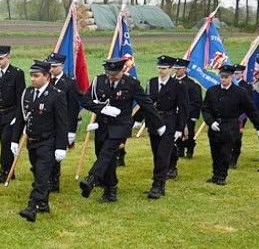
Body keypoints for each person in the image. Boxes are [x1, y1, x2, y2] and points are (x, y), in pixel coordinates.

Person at [79, 57, 165, 203]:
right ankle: (111, 189)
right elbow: (86, 101)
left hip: (121, 125)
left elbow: (146, 103)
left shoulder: (131, 83)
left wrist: (158, 123)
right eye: (109, 73)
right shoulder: (98, 81)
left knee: (107, 152)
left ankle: (92, 178)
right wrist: (102, 109)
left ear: (122, 70)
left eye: (115, 74)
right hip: (102, 125)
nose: (111, 76)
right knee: (104, 156)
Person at [10, 60, 69, 222]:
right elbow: (20, 118)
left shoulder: (57, 95)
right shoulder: (27, 93)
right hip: (32, 141)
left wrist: (61, 147)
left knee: (42, 174)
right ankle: (43, 203)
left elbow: (62, 123)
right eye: (31, 76)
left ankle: (32, 206)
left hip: (48, 141)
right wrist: (14, 140)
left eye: (36, 76)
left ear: (46, 77)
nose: (33, 79)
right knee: (37, 172)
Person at [201, 64, 259, 185]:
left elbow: (250, 110)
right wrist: (211, 122)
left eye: (226, 77)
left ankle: (222, 175)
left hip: (230, 125)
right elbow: (205, 109)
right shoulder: (212, 91)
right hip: (215, 125)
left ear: (231, 77)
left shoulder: (240, 92)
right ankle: (215, 174)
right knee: (215, 152)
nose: (223, 79)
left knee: (225, 152)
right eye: (222, 77)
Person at [141, 55, 188, 200]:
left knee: (163, 154)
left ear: (170, 69)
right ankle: (160, 184)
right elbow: (146, 103)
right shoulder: (152, 83)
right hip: (154, 122)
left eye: (163, 68)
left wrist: (180, 129)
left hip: (169, 122)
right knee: (156, 154)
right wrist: (141, 120)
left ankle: (157, 184)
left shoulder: (178, 85)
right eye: (159, 68)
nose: (160, 71)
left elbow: (183, 108)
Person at [0, 45, 26, 184]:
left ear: (8, 58)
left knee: (6, 141)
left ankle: (4, 170)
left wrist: (18, 116)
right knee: (5, 141)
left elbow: (20, 96)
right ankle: (10, 169)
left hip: (12, 112)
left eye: (1, 58)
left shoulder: (17, 73)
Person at [47, 52, 80, 192]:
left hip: (61, 123)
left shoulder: (69, 83)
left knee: (56, 153)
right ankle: (47, 178)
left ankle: (54, 182)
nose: (52, 69)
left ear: (62, 66)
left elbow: (73, 108)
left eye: (54, 66)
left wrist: (71, 130)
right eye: (50, 66)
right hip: (47, 123)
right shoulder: (46, 80)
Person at [174, 57, 203, 163]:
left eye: (179, 69)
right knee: (176, 133)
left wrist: (191, 114)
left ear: (185, 69)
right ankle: (179, 150)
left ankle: (189, 150)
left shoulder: (192, 84)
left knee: (189, 133)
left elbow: (196, 102)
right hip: (174, 113)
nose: (177, 71)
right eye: (175, 69)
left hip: (188, 114)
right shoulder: (171, 82)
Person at [230, 63, 255, 168]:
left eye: (237, 73)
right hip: (228, 116)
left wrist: (242, 118)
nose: (235, 76)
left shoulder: (247, 87)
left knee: (237, 139)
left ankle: (234, 159)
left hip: (240, 117)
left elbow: (248, 104)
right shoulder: (229, 85)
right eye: (234, 74)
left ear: (242, 74)